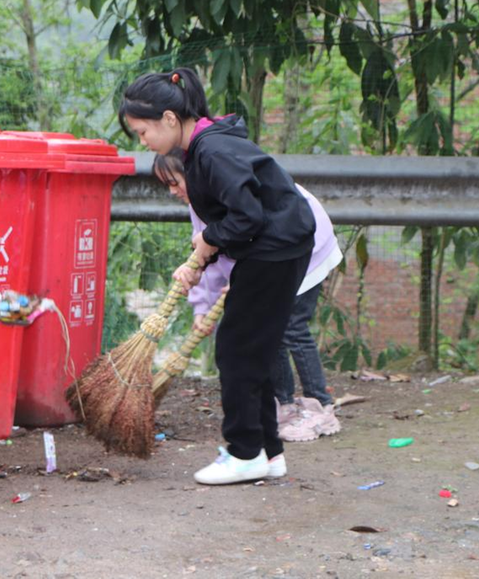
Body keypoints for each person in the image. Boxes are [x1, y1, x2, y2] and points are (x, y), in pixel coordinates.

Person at [119, 67, 314, 485]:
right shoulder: (206, 147)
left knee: (236, 350)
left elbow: (246, 217)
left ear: (169, 119)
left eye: (142, 132)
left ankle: (244, 452)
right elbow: (236, 217)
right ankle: (268, 452)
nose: (143, 142)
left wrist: (209, 239)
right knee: (253, 352)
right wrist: (205, 253)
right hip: (276, 249)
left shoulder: (212, 152)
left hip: (274, 252)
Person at [153, 151, 343, 442]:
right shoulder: (201, 204)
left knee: (291, 326)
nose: (172, 191)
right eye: (166, 184)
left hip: (307, 248)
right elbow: (208, 251)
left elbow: (252, 228)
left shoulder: (227, 188)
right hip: (276, 253)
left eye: (174, 182)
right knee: (270, 328)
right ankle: (284, 404)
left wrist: (250, 279)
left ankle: (321, 405)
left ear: (193, 174)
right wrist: (202, 309)